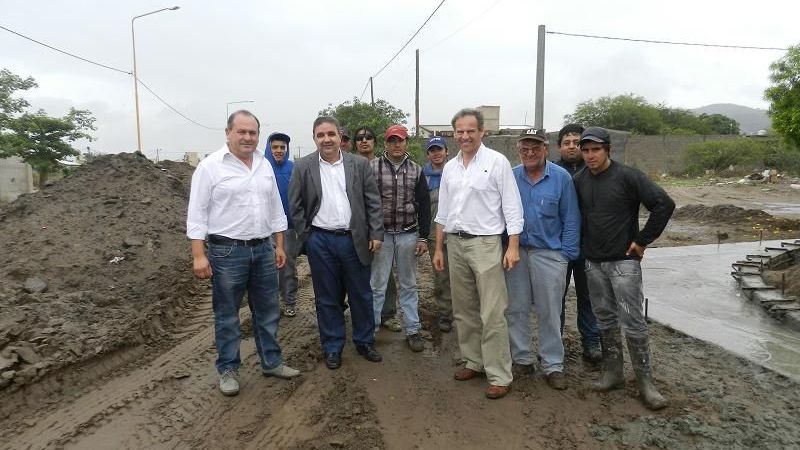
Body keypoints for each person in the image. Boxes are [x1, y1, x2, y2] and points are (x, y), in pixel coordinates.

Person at [187, 110, 299, 396]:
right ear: (228, 133)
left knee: (268, 310)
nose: (248, 137)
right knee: (227, 315)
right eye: (242, 131)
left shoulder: (264, 165)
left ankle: (272, 362)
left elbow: (276, 209)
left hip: (263, 249)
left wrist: (279, 245)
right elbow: (197, 214)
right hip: (227, 252)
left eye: (253, 132)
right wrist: (199, 255)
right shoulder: (210, 167)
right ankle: (228, 369)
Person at [573, 126, 675, 410]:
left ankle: (645, 383)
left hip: (624, 262)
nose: (590, 155)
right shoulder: (579, 180)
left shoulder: (628, 176)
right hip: (593, 262)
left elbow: (664, 204)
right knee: (604, 318)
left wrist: (642, 241)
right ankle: (613, 373)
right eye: (586, 150)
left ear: (608, 149)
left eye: (596, 150)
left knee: (633, 320)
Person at [432, 108, 524, 400]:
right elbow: (443, 212)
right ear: (454, 134)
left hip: (486, 244)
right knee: (464, 309)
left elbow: (512, 208)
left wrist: (513, 246)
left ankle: (499, 374)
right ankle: (474, 361)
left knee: (493, 311)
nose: (465, 136)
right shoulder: (450, 167)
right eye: (460, 131)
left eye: (471, 130)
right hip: (455, 244)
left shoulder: (497, 162)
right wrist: (438, 247)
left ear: (482, 132)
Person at [289, 116, 384, 370]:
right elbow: (295, 206)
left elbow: (373, 201)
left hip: (354, 239)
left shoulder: (359, 164)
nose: (326, 139)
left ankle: (364, 341)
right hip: (320, 241)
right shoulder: (303, 166)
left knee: (361, 294)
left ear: (340, 136)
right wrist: (308, 237)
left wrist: (376, 233)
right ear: (314, 138)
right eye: (320, 135)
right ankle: (332, 346)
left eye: (331, 134)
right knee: (327, 297)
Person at [504, 128, 580, 390]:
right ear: (518, 150)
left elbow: (571, 219)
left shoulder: (561, 178)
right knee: (516, 308)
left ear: (546, 149)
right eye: (524, 148)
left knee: (550, 311)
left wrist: (565, 255)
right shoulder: (511, 176)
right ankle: (522, 359)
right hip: (516, 252)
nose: (530, 153)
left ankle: (553, 364)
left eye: (535, 148)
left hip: (549, 253)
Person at [370, 125, 430, 352]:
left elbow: (424, 205)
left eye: (400, 140)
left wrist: (423, 237)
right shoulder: (372, 167)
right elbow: (366, 203)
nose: (396, 144)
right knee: (377, 286)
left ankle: (413, 330)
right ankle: (370, 332)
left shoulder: (416, 170)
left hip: (407, 234)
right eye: (392, 140)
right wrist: (370, 233)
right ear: (385, 143)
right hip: (382, 236)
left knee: (409, 284)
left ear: (406, 143)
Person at [554, 124, 602, 363]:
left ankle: (591, 342)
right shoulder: (552, 173)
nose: (572, 147)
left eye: (576, 142)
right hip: (558, 246)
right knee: (556, 297)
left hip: (589, 246)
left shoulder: (595, 172)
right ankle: (555, 342)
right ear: (559, 147)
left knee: (588, 296)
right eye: (567, 143)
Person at [353, 126, 401, 332]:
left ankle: (387, 313)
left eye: (368, 137)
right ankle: (362, 317)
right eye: (359, 138)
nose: (364, 141)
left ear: (375, 141)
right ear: (355, 143)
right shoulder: (349, 165)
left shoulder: (385, 165)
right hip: (356, 228)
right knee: (358, 274)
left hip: (382, 229)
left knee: (384, 273)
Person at [265, 132, 299, 318]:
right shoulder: (261, 167)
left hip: (287, 228)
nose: (279, 150)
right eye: (275, 147)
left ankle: (289, 301)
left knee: (287, 267)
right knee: (265, 269)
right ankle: (269, 304)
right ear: (268, 148)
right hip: (263, 229)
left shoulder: (293, 168)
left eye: (282, 147)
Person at [423, 136, 453, 332]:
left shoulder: (457, 171)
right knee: (441, 277)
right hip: (435, 235)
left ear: (446, 151)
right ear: (428, 154)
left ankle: (467, 313)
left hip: (458, 232)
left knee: (463, 277)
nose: (436, 153)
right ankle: (446, 314)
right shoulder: (422, 176)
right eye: (432, 150)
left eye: (439, 149)